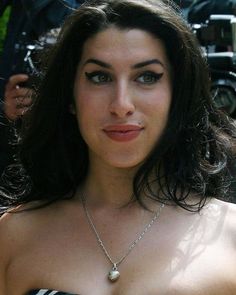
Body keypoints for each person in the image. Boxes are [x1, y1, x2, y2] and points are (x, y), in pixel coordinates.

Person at [0, 0, 236, 294]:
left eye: (147, 77)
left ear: (177, 94)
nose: (121, 104)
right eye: (99, 77)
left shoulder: (230, 235)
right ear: (70, 96)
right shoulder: (13, 233)